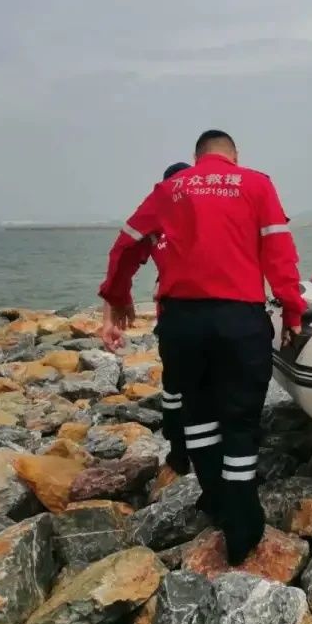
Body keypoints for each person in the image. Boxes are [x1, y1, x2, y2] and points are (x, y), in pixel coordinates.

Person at [98, 130, 306, 564]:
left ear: (196, 159)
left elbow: (127, 243)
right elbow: (279, 251)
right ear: (234, 156)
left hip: (182, 320)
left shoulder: (170, 189)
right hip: (239, 319)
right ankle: (243, 520)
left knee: (198, 412)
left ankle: (216, 498)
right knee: (240, 421)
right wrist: (292, 308)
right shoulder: (256, 183)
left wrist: (116, 296)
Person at [99, 160, 191, 475]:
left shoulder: (159, 214)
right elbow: (123, 262)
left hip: (177, 315)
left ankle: (181, 453)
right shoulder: (191, 213)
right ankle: (196, 453)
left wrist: (110, 315)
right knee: (193, 386)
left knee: (178, 386)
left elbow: (122, 260)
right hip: (205, 313)